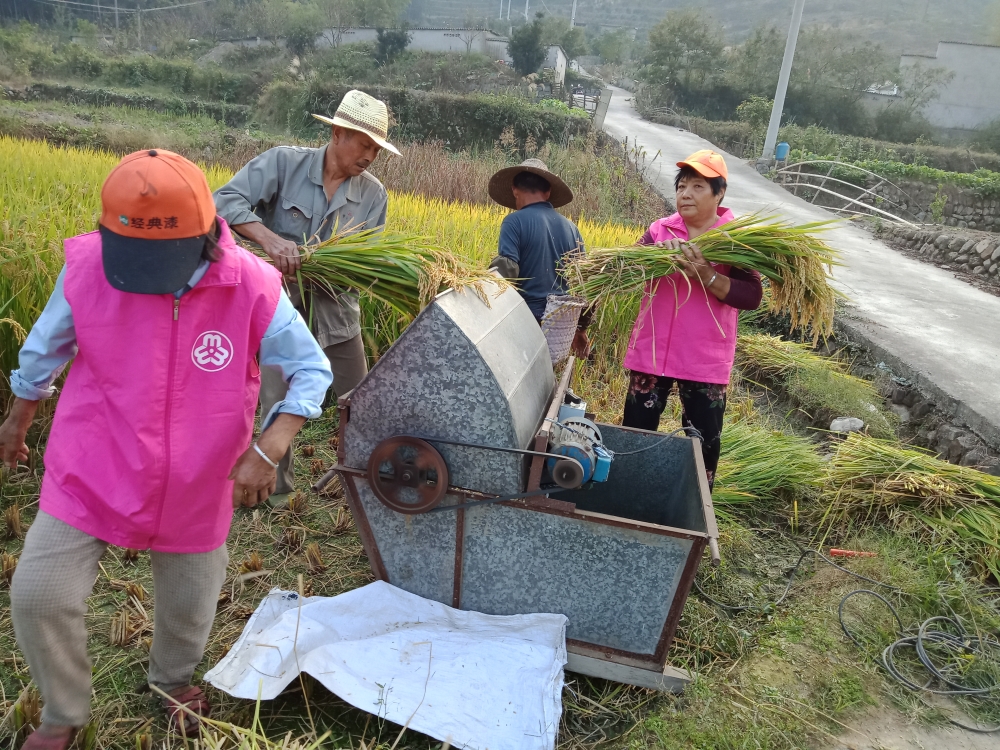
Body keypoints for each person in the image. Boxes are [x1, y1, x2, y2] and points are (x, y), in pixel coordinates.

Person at [0, 149, 332, 750]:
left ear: (208, 234)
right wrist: (19, 414)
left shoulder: (252, 285)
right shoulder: (90, 266)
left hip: (199, 476)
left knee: (189, 602)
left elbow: (311, 370)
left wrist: (271, 443)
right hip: (92, 462)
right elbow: (46, 346)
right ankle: (63, 711)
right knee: (38, 594)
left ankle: (173, 680)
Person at [214, 89, 398, 506]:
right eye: (365, 144)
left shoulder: (373, 195)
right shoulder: (284, 163)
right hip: (278, 310)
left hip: (337, 314)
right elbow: (224, 201)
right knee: (276, 399)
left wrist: (333, 269)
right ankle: (273, 494)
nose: (370, 156)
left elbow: (370, 260)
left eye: (377, 149)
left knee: (361, 401)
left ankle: (364, 486)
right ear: (337, 133)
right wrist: (270, 240)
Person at [621, 150, 762, 490]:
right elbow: (625, 270)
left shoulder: (735, 241)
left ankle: (694, 515)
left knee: (702, 446)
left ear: (720, 193)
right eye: (682, 186)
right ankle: (624, 498)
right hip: (652, 354)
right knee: (633, 437)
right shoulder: (659, 231)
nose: (685, 193)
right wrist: (643, 260)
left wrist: (707, 275)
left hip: (703, 361)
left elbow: (752, 296)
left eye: (698, 186)